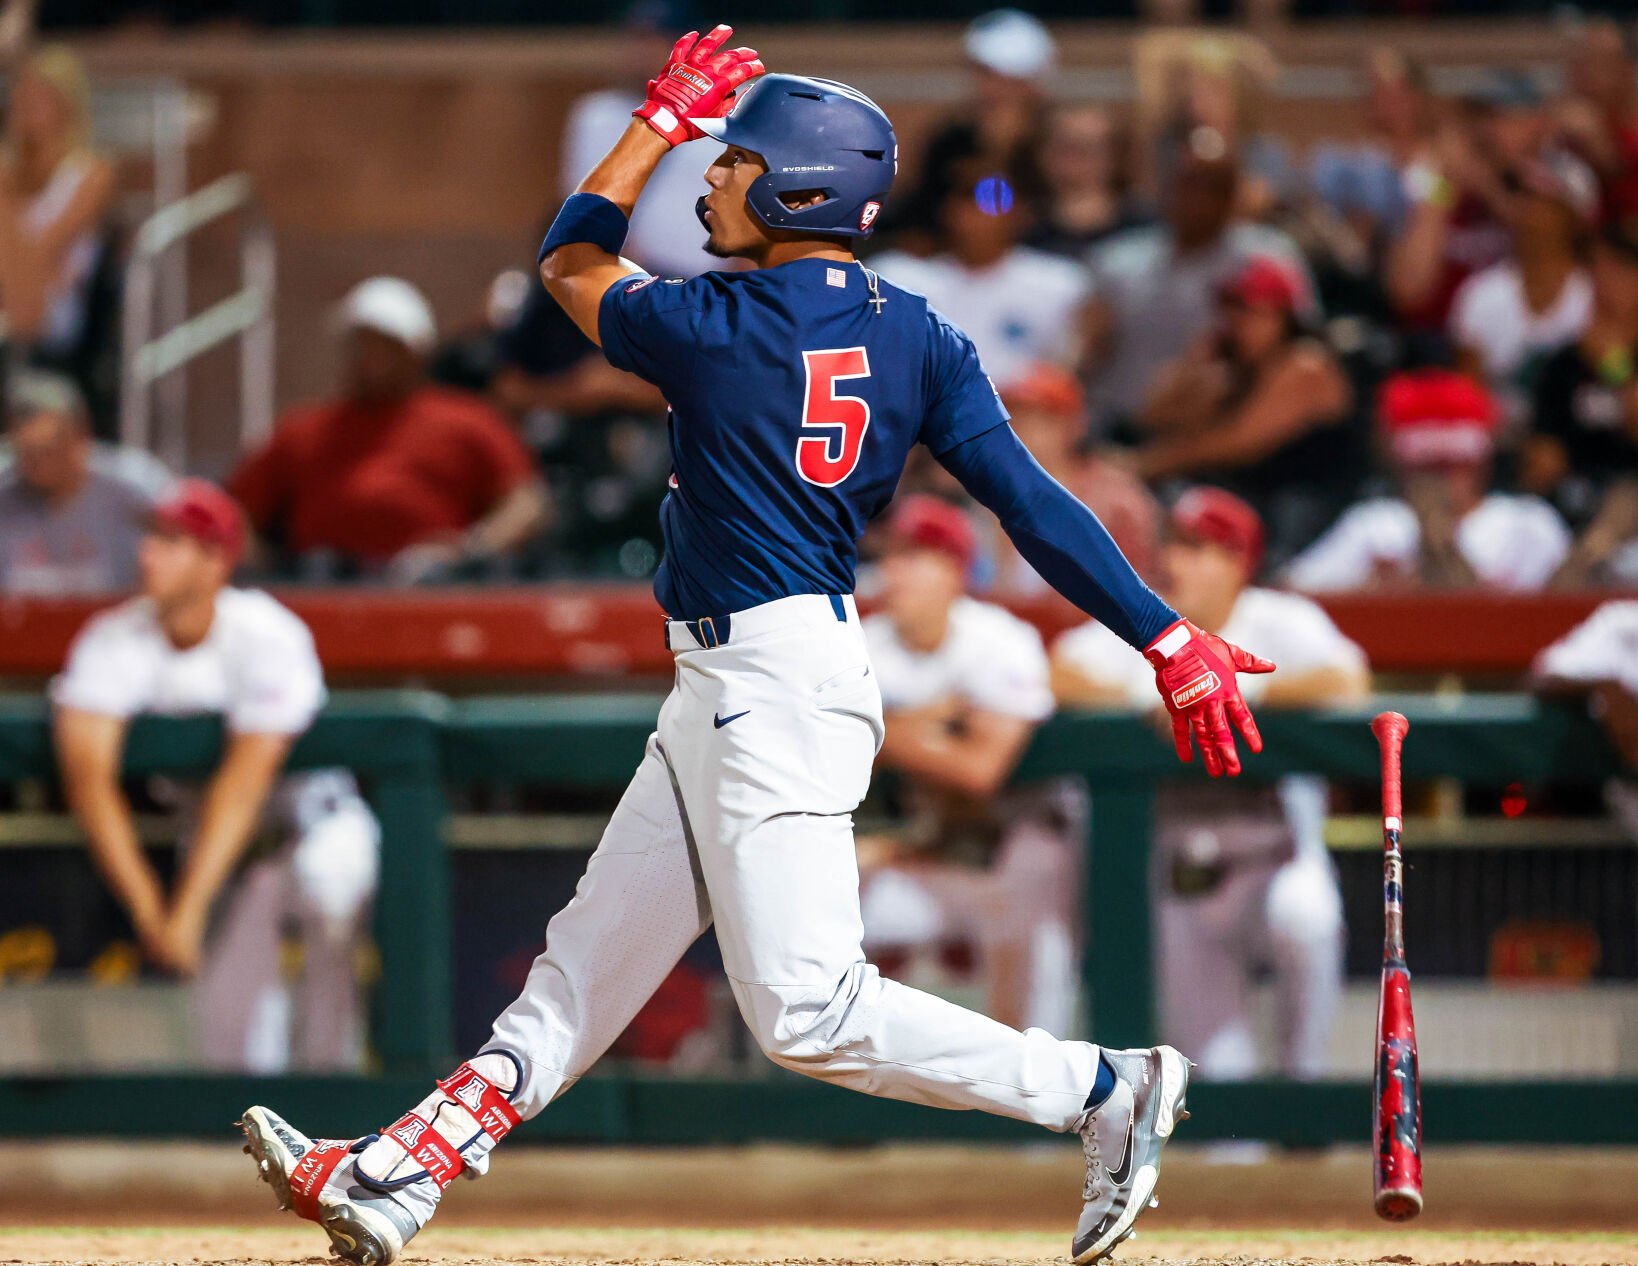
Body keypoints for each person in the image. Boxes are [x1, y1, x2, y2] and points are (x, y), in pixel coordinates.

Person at [238, 33, 1277, 1266]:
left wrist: (653, 126)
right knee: (581, 972)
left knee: (810, 1015)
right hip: (761, 677)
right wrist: (1165, 634)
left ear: (799, 190)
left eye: (738, 162)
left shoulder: (713, 322)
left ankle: (1103, 1088)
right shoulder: (921, 333)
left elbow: (568, 259)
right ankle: (397, 1176)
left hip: (770, 686)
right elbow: (1035, 504)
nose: (714, 177)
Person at [50, 480, 380, 1072]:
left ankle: (342, 1117)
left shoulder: (267, 631)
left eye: (171, 542)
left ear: (216, 560)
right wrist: (150, 911)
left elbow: (245, 781)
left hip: (314, 829)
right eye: (150, 538)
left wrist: (187, 909)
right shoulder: (112, 639)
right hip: (221, 854)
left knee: (329, 906)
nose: (148, 553)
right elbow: (88, 781)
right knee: (229, 1050)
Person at [1053, 488, 1362, 1079]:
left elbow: (1346, 680)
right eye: (1173, 545)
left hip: (1276, 861)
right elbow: (1061, 673)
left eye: (1199, 549)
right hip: (1182, 881)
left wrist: (1239, 689)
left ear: (1240, 563)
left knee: (1309, 921)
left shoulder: (1279, 620)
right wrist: (1151, 692)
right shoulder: (1141, 618)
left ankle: (1306, 1095)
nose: (1177, 562)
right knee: (1218, 1077)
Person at [860, 496, 1079, 1035]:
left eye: (916, 558)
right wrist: (936, 720)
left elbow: (981, 770)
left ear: (957, 571)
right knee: (808, 899)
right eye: (891, 557)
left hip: (1014, 844)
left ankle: (1035, 1066)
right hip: (917, 846)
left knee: (1032, 900)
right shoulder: (864, 644)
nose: (894, 573)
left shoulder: (999, 640)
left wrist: (882, 730)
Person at [228, 277, 549, 583]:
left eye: (385, 345)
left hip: (432, 591)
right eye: (362, 343)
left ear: (416, 353)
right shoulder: (303, 429)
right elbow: (234, 511)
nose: (370, 357)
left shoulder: (469, 422)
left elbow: (526, 504)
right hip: (322, 586)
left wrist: (469, 551)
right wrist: (267, 573)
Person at [1082, 132, 1312, 438]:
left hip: (1231, 434)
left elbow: (1296, 353)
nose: (1198, 199)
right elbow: (1082, 355)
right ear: (1165, 187)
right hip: (1121, 428)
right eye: (1188, 184)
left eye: (1214, 188)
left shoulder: (1268, 257)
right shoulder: (1116, 262)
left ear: (1234, 193)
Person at [1129, 255, 1354, 565]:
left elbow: (1236, 443)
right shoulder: (1235, 368)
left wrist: (1144, 465)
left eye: (1252, 311)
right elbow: (1151, 415)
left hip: (1320, 514)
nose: (1237, 321)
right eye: (1232, 308)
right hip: (1266, 502)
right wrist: (1193, 365)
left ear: (1285, 317)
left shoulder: (1306, 363)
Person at [1285, 368, 1570, 592]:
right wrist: (1366, 590)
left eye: (1454, 465)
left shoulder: (1529, 522)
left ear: (1481, 463)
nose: (1443, 480)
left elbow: (1573, 602)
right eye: (1429, 468)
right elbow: (1295, 589)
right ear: (1403, 469)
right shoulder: (1375, 524)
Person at [869, 163, 1091, 391]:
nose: (976, 213)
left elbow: (1070, 371)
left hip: (1024, 407)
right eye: (965, 199)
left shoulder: (1060, 283)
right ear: (947, 210)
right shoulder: (901, 279)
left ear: (1022, 212)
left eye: (992, 199)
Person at [877, 8, 1053, 256]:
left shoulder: (1055, 140)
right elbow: (919, 221)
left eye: (1011, 81)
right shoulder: (950, 141)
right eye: (988, 76)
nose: (998, 90)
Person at [0, 45, 115, 413]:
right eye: (21, 96)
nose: (24, 106)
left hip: (55, 313)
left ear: (66, 104)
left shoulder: (89, 173)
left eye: (38, 97)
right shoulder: (7, 170)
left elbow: (39, 258)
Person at [1526, 223, 1638, 586]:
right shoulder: (1565, 364)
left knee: (1626, 500)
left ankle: (1569, 579)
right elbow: (1541, 467)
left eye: (1621, 269)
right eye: (1597, 270)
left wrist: (1616, 370)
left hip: (1629, 503)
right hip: (1574, 504)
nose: (1606, 283)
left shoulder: (1620, 363)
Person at [985, 362, 1160, 591]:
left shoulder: (1114, 498)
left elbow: (1139, 586)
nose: (1022, 432)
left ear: (1073, 427)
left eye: (1039, 422)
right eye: (1014, 419)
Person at [1448, 148, 1595, 410]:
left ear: (1573, 217)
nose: (1530, 210)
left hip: (1579, 429)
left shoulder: (1599, 296)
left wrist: (1611, 361)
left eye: (1545, 201)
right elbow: (1467, 395)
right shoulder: (1480, 294)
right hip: (1498, 430)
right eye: (1525, 196)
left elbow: (1622, 377)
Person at [0, 371, 167, 595]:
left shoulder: (136, 487)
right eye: (28, 454)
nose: (40, 466)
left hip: (123, 615)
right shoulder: (4, 491)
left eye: (49, 450)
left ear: (80, 435)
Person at [1024, 103, 1145, 258]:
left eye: (1090, 147)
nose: (1076, 159)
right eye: (1066, 147)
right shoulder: (1024, 228)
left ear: (1115, 156)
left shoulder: (1142, 226)